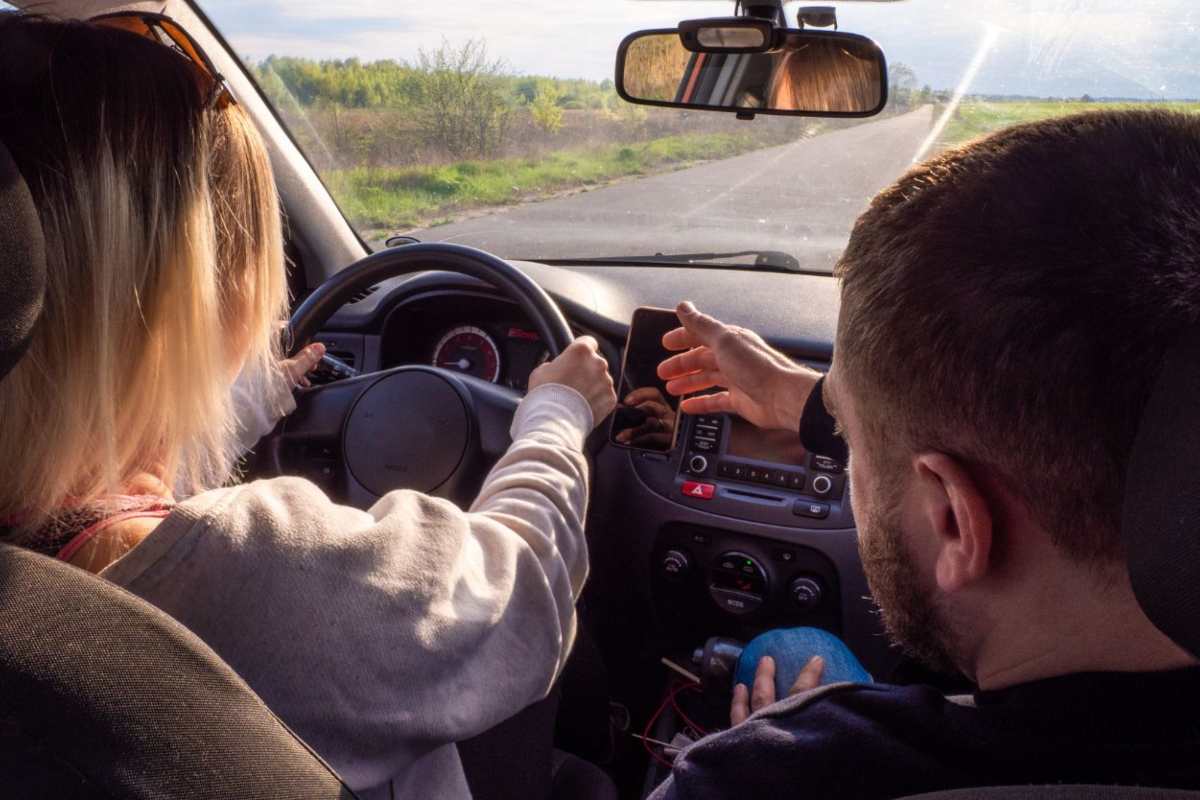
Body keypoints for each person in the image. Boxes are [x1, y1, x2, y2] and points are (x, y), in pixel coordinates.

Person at [0, 13, 615, 800]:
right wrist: (557, 414)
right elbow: (520, 590)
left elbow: (103, 462)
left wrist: (259, 395)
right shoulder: (253, 568)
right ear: (183, 300)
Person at [649, 109, 1200, 798]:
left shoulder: (770, 773)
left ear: (955, 521)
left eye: (847, 438)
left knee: (788, 655)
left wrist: (757, 748)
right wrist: (817, 404)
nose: (845, 453)